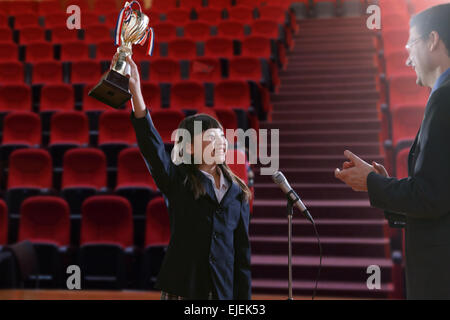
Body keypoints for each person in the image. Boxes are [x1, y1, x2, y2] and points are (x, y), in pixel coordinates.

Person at [335, 3, 450, 299]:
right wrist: (385, 185)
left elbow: (431, 196)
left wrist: (372, 183)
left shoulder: (444, 98)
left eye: (411, 43)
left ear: (433, 40)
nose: (408, 58)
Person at [121, 54, 252, 300]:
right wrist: (136, 93)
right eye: (212, 137)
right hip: (184, 288)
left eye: (222, 137)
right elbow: (153, 148)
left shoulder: (238, 190)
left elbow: (242, 254)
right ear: (190, 147)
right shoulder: (177, 179)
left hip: (221, 292)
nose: (222, 142)